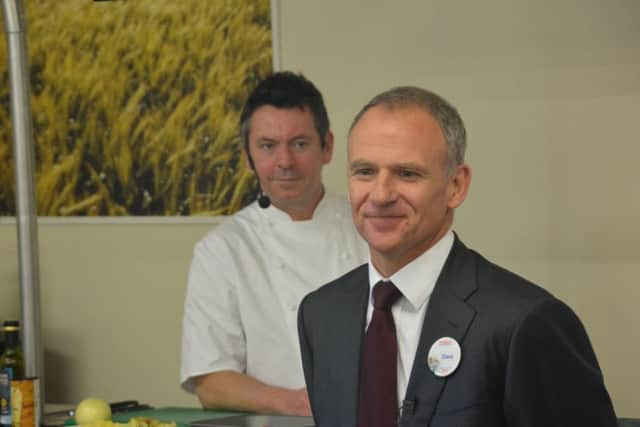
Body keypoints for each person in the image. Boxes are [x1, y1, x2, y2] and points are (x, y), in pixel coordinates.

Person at [298, 86, 617, 426]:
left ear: (456, 186)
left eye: (407, 173)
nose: (380, 194)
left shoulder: (523, 322)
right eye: (365, 172)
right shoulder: (321, 315)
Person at [181, 72, 367, 415]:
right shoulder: (222, 249)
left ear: (326, 147)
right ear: (247, 155)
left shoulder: (370, 226)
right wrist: (297, 403)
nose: (284, 162)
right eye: (268, 146)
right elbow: (210, 382)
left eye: (299, 143)